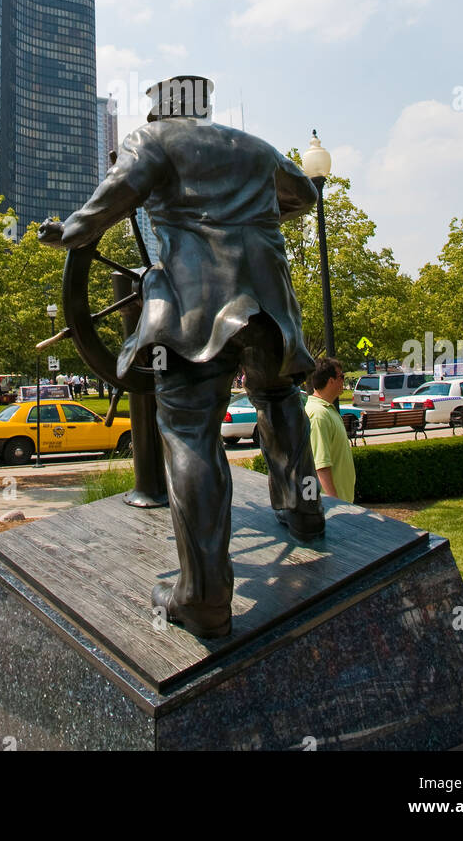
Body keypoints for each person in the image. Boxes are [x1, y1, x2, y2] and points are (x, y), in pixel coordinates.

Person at [39, 74, 326, 638]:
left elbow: (106, 204)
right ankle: (303, 510)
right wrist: (250, 216)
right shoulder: (255, 148)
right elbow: (306, 197)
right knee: (278, 395)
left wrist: (67, 231)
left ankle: (203, 596)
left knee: (192, 432)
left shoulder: (154, 143)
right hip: (270, 301)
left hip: (197, 309)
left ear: (160, 111)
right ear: (205, 106)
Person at [305, 358, 356, 502]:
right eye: (342, 377)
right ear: (331, 381)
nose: (343, 381)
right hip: (332, 509)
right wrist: (335, 503)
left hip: (341, 504)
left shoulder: (326, 410)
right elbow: (321, 466)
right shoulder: (318, 415)